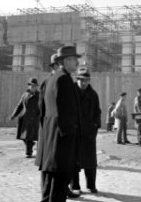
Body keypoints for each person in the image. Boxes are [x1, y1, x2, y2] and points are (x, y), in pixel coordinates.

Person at [35, 45, 81, 202]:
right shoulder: (64, 79)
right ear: (66, 61)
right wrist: (71, 139)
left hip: (50, 139)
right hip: (62, 142)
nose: (77, 63)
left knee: (49, 186)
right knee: (59, 187)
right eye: (75, 60)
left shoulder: (51, 78)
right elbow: (66, 113)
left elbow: (44, 112)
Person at [69, 67, 101, 196]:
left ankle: (91, 185)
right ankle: (75, 186)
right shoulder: (70, 92)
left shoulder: (93, 95)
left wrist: (94, 128)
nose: (84, 83)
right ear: (77, 79)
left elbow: (97, 112)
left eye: (86, 80)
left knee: (90, 161)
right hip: (74, 132)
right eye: (81, 80)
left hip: (88, 133)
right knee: (73, 161)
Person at [35, 53, 59, 174]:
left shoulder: (59, 80)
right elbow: (43, 107)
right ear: (55, 66)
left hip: (57, 126)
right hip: (51, 125)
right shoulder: (49, 82)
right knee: (51, 162)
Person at [10, 77, 40, 158]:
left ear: (36, 87)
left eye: (34, 86)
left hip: (35, 119)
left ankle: (29, 152)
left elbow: (43, 107)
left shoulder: (40, 96)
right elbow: (19, 106)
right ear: (29, 86)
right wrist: (13, 115)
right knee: (22, 136)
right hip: (25, 118)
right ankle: (30, 146)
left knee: (29, 136)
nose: (32, 87)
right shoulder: (24, 95)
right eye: (31, 85)